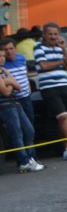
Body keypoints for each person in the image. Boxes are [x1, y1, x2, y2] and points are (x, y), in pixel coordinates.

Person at [34, 23, 67, 161]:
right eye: (50, 34)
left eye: (55, 34)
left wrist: (63, 49)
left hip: (65, 84)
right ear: (44, 35)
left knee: (66, 118)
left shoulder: (61, 48)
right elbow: (44, 66)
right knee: (62, 116)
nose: (53, 37)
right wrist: (61, 61)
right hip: (49, 87)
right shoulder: (38, 47)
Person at [1, 37, 44, 172]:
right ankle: (24, 161)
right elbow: (7, 91)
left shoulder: (19, 59)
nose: (7, 54)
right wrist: (11, 83)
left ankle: (32, 157)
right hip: (9, 102)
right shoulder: (4, 68)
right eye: (4, 52)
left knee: (29, 130)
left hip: (23, 98)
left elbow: (18, 83)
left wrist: (12, 83)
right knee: (17, 132)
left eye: (10, 49)